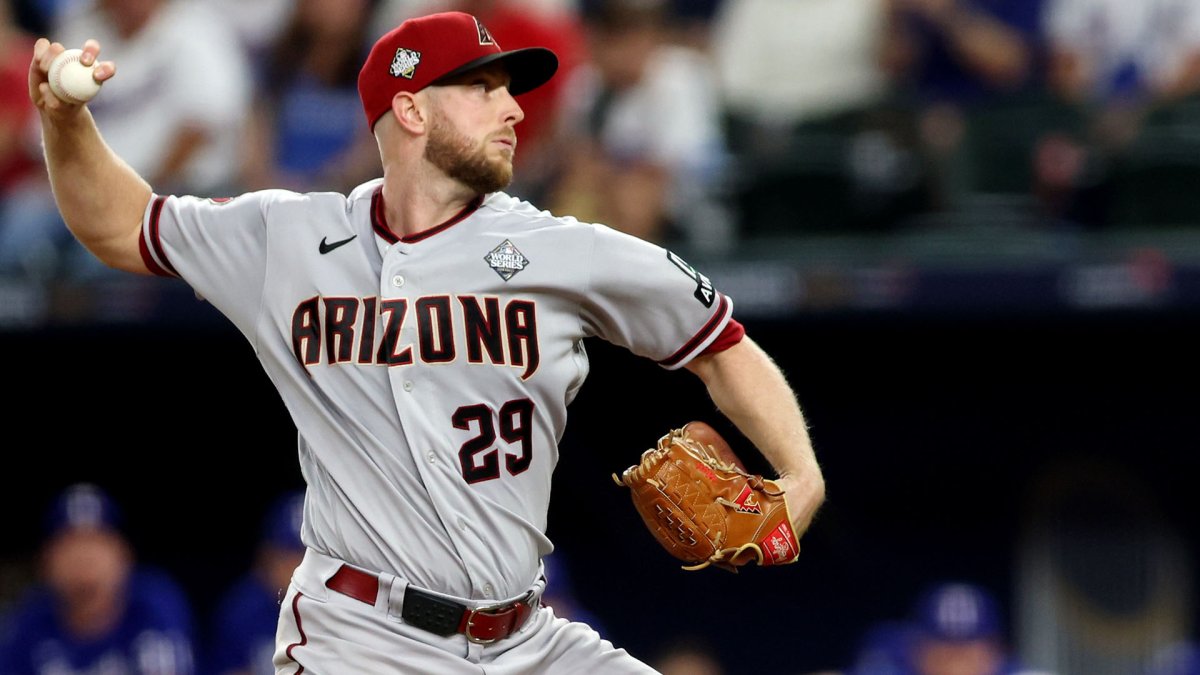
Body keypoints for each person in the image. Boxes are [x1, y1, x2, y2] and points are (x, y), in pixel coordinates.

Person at [27, 9, 825, 672]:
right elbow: (121, 225)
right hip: (358, 636)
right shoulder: (289, 238)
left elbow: (722, 342)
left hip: (527, 636)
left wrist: (799, 473)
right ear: (410, 108)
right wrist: (66, 123)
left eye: (511, 92)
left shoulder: (563, 248)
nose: (514, 109)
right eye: (483, 90)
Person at [0, 483, 197, 674]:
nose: (84, 556)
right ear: (46, 561)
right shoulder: (29, 621)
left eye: (96, 542)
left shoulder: (151, 604)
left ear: (123, 554)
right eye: (70, 543)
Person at [207, 490, 307, 675]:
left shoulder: (346, 607)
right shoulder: (241, 611)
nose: (300, 566)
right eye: (290, 556)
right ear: (267, 557)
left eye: (308, 556)